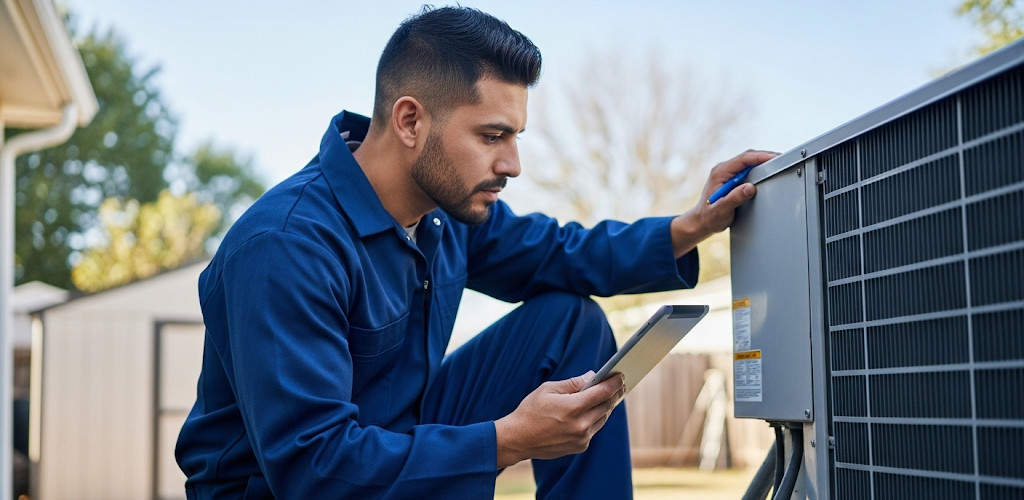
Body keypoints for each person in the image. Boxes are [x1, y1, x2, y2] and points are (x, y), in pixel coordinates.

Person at [175, 5, 775, 499]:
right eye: (492, 136)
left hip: (400, 444)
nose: (512, 164)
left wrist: (692, 226)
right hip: (292, 489)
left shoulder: (446, 216)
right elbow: (313, 468)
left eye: (515, 137)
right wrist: (508, 439)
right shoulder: (287, 245)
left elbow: (562, 253)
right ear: (410, 120)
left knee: (569, 321)